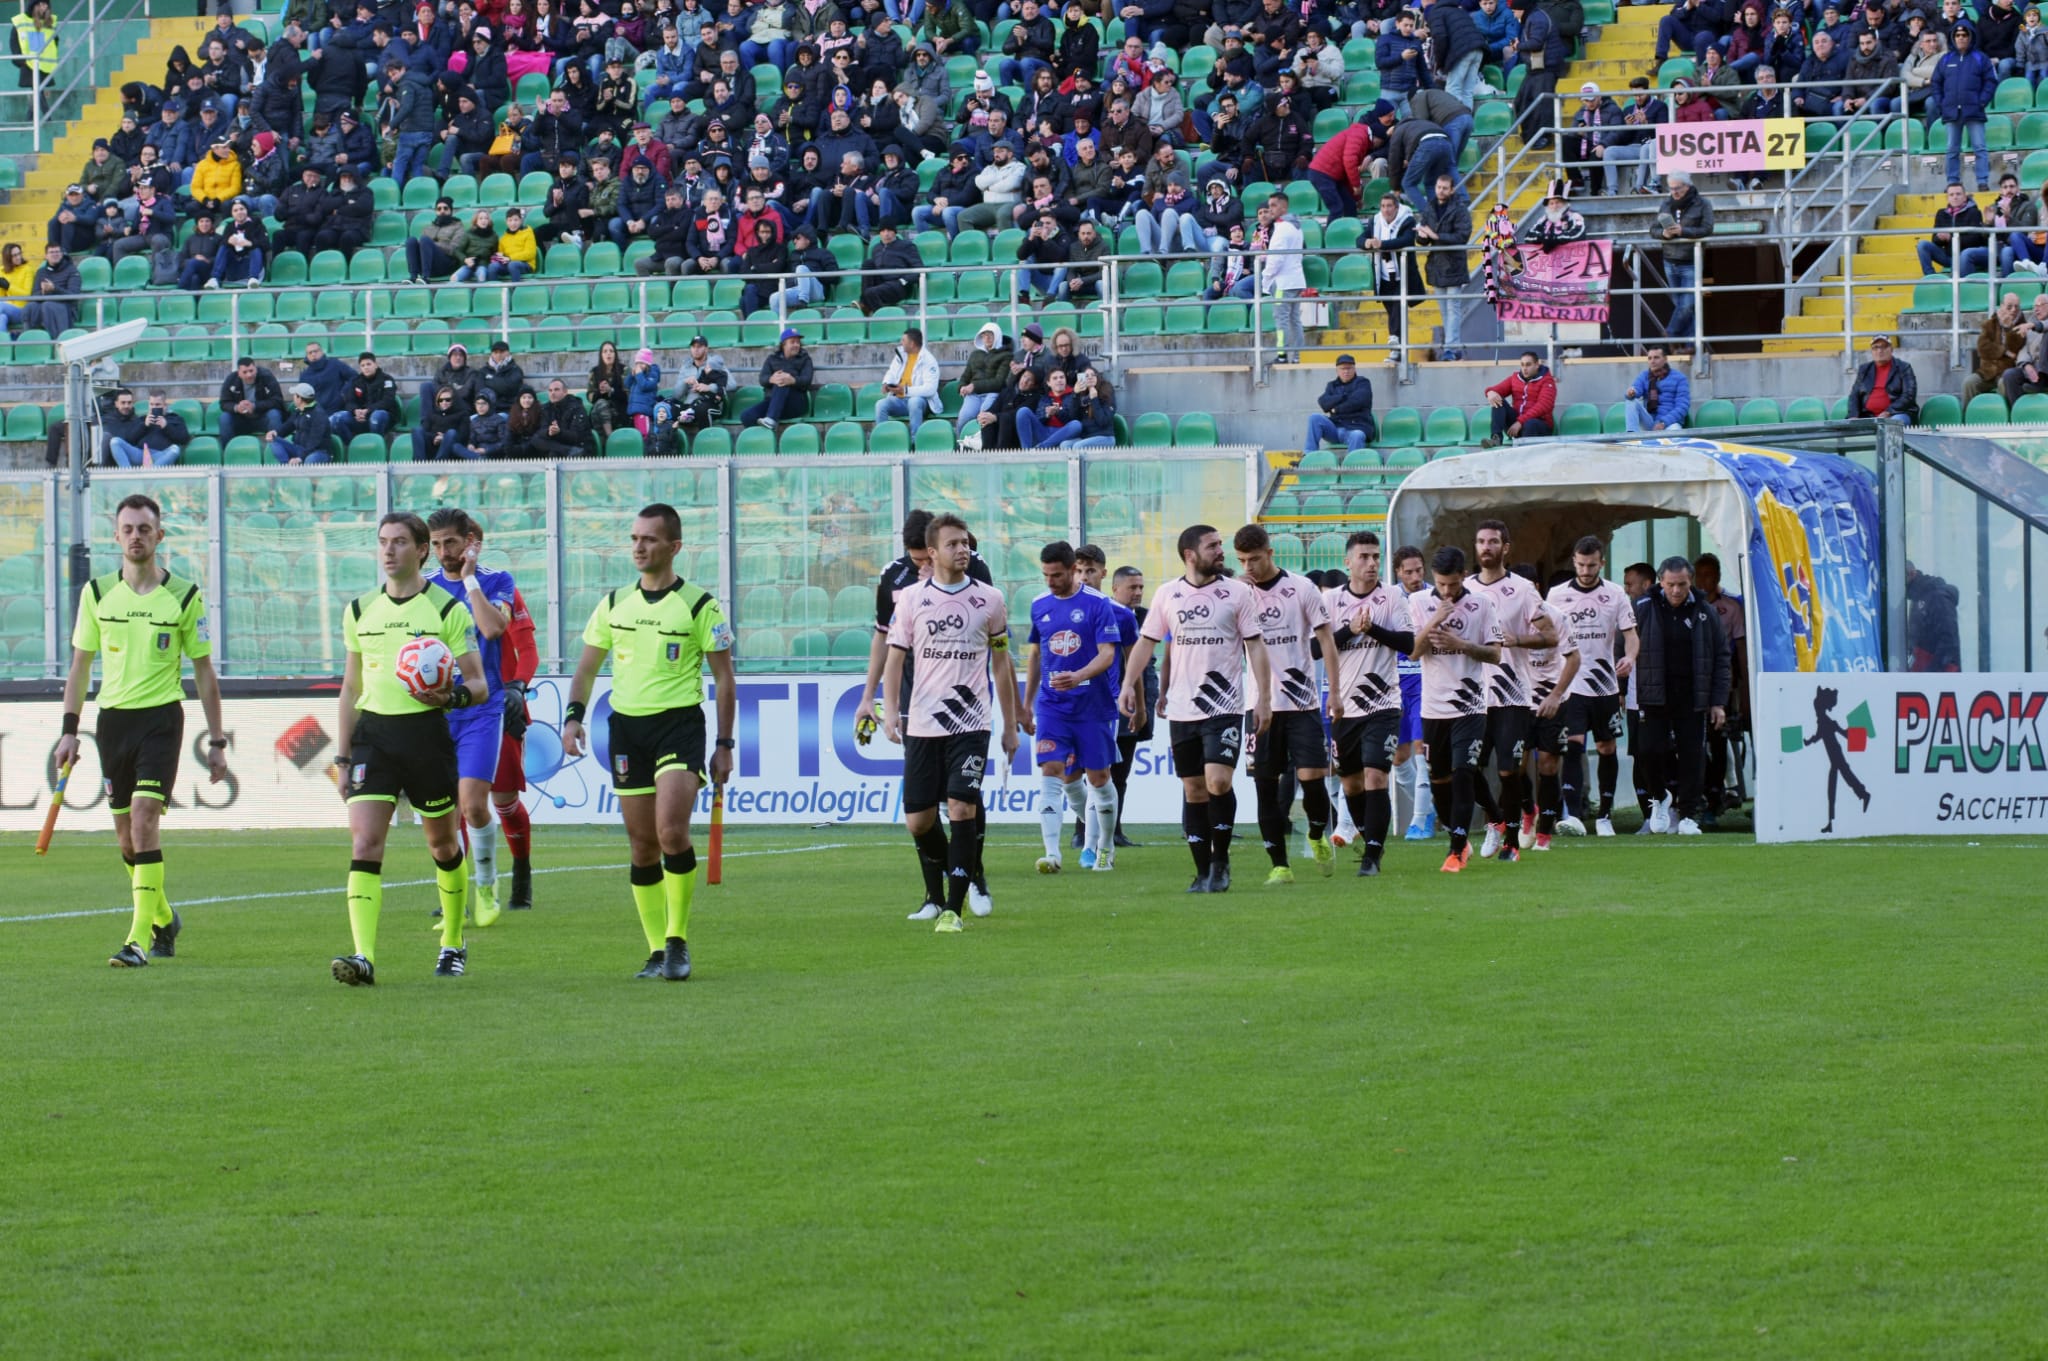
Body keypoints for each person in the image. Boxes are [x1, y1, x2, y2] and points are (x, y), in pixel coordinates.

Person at [561, 504, 735, 978]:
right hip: (626, 729)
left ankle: (677, 941)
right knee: (642, 845)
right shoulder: (614, 603)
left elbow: (724, 679)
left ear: (674, 547)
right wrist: (573, 718)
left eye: (650, 539)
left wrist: (724, 744)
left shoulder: (700, 606)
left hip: (678, 725)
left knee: (671, 833)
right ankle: (656, 950)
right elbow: (586, 669)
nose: (639, 547)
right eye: (635, 538)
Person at [55, 494, 228, 968]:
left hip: (160, 720)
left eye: (144, 529)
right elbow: (80, 667)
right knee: (127, 841)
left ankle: (136, 941)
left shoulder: (186, 596)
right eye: (128, 529)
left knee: (145, 816)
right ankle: (164, 919)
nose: (136, 536)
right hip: (113, 722)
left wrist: (216, 742)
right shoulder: (96, 594)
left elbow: (204, 673)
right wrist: (69, 730)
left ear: (159, 536)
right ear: (116, 536)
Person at [331, 513, 491, 986]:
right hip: (373, 737)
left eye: (399, 542)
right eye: (383, 541)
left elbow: (478, 684)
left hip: (425, 737)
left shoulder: (447, 609)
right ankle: (363, 957)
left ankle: (453, 942)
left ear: (421, 550)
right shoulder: (359, 610)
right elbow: (350, 687)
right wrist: (342, 757)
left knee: (442, 844)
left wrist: (450, 697)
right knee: (365, 842)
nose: (388, 550)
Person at [853, 509, 998, 919]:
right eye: (916, 559)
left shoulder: (974, 568)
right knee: (921, 810)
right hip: (915, 701)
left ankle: (972, 877)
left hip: (964, 702)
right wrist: (870, 696)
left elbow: (987, 634)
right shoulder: (894, 577)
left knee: (963, 799)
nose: (922, 566)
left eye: (925, 558)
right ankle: (935, 894)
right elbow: (883, 639)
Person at [881, 514, 1020, 933]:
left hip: (971, 722)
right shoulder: (910, 599)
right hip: (923, 722)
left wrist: (1009, 725)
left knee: (961, 806)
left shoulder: (990, 599)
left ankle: (952, 910)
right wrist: (890, 710)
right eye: (953, 544)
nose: (963, 550)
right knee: (919, 822)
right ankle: (965, 870)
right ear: (932, 552)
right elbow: (894, 658)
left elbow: (1001, 663)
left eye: (966, 543)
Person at [1120, 524, 1276, 895]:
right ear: (1190, 554)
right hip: (1182, 709)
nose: (1221, 551)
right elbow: (1147, 643)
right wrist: (1128, 684)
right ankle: (1202, 870)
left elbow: (1256, 647)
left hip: (1224, 705)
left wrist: (1264, 698)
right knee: (1193, 788)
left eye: (1220, 544)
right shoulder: (1168, 594)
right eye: (1213, 546)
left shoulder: (1238, 593)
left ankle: (1221, 862)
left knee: (1217, 781)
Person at [425, 510, 520, 923]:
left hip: (482, 706)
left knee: (473, 806)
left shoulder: (497, 581)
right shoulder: (424, 588)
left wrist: (468, 580)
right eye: (436, 544)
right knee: (441, 815)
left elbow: (494, 628)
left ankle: (486, 885)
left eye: (450, 542)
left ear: (469, 542)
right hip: (437, 709)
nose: (443, 551)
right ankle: (454, 904)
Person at [1233, 524, 1341, 884]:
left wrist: (1335, 692)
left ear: (1270, 554)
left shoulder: (1302, 588)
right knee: (1265, 785)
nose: (1248, 567)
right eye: (1242, 560)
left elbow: (1326, 641)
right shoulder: (1237, 593)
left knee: (1312, 780)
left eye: (1254, 559)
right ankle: (1279, 865)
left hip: (1301, 703)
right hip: (1259, 706)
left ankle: (1316, 833)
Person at [1023, 540, 1125, 874]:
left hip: (1092, 706)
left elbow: (1108, 654)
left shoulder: (1097, 604)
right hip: (1052, 705)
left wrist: (1079, 675)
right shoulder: (1039, 605)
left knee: (1099, 778)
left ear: (1072, 570)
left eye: (1056, 575)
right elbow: (1036, 655)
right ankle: (1052, 854)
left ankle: (1104, 846)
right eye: (1045, 575)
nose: (1050, 581)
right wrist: (1026, 703)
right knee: (1052, 770)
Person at [1408, 545, 1502, 873]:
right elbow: (1413, 653)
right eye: (1441, 584)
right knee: (1440, 781)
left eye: (1453, 584)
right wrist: (1435, 619)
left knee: (1464, 772)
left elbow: (1496, 654)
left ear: (1464, 575)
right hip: (1433, 708)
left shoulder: (1482, 604)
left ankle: (1455, 851)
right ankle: (1491, 820)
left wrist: (1461, 645)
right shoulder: (1418, 602)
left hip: (1471, 704)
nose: (1447, 591)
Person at [1320, 532, 1409, 876]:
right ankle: (1370, 837)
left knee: (1376, 776)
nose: (1372, 563)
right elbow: (1315, 649)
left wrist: (1372, 630)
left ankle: (1372, 855)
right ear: (1348, 562)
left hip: (1383, 704)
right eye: (1364, 557)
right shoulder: (1330, 601)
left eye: (1376, 556)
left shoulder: (1393, 597)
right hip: (1343, 707)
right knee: (1352, 784)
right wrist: (1350, 630)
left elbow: (1408, 643)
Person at [1468, 521, 1557, 863]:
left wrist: (1517, 639)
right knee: (1467, 767)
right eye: (1481, 541)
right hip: (1473, 696)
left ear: (1505, 548)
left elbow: (1550, 635)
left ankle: (1512, 843)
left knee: (1508, 770)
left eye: (1493, 541)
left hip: (1513, 695)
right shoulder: (1465, 588)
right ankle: (1495, 820)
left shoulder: (1522, 589)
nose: (1486, 547)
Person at [1546, 536, 1640, 836]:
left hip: (1604, 685)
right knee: (1573, 744)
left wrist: (1630, 657)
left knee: (1606, 747)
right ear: (1574, 562)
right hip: (1571, 684)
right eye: (1581, 565)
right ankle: (1573, 815)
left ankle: (1605, 816)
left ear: (1602, 563)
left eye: (1591, 565)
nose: (1585, 571)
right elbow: (1546, 635)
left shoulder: (1615, 594)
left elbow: (1631, 634)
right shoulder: (1557, 595)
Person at [1630, 557, 1730, 836]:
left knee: (1692, 755)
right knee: (1647, 750)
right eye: (1671, 584)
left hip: (1691, 695)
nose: (1676, 590)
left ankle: (1688, 815)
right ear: (1661, 582)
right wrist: (1622, 687)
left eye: (1682, 585)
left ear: (1690, 582)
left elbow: (1722, 656)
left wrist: (1717, 701)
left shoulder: (1705, 611)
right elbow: (1622, 647)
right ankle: (1660, 796)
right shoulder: (1642, 608)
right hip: (1652, 693)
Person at [1521, 564, 1580, 851]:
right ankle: (1527, 811)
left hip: (1552, 699)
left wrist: (1556, 695)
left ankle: (1544, 832)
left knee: (1547, 764)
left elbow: (1574, 659)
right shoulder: (1506, 617)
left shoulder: (1557, 617)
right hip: (1518, 700)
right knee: (1513, 766)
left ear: (1536, 588)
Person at [1389, 545, 1436, 839]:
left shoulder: (1434, 596)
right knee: (1398, 758)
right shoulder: (1389, 597)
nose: (1416, 577)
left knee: (1421, 751)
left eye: (1419, 570)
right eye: (1409, 572)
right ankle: (1428, 808)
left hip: (1425, 683)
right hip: (1395, 685)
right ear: (1398, 572)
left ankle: (1419, 821)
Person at [1105, 561, 1153, 848]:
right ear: (1115, 588)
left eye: (1141, 587)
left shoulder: (1144, 617)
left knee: (1120, 772)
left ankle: (1114, 830)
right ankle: (1084, 832)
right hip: (1106, 703)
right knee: (1098, 772)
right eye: (1132, 587)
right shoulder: (1106, 613)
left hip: (1133, 703)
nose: (1138, 592)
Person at [1934, 21, 1996, 191]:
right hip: (1951, 111)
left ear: (1970, 37)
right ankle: (1952, 182)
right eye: (1957, 35)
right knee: (1952, 150)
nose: (1961, 38)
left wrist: (1981, 101)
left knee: (1980, 148)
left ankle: (1982, 181)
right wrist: (1941, 103)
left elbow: (1991, 81)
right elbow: (1936, 83)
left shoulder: (1980, 58)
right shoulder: (1945, 59)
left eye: (1964, 35)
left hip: (1974, 110)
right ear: (1953, 38)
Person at [1363, 191, 1423, 354]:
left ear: (1396, 208)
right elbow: (1359, 239)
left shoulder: (1408, 220)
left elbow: (1406, 240)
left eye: (1389, 206)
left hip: (1402, 274)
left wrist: (1381, 244)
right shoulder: (1375, 221)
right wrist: (1367, 242)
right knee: (1393, 313)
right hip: (1383, 275)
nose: (1386, 209)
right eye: (1383, 206)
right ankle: (1398, 351)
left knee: (1397, 307)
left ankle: (1394, 341)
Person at [1657, 172, 1714, 345]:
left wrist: (1683, 231)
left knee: (1686, 305)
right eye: (1671, 188)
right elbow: (1653, 229)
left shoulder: (1703, 203)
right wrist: (1664, 234)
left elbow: (1707, 229)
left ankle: (1670, 334)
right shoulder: (1666, 204)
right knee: (1683, 306)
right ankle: (1691, 346)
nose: (1674, 192)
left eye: (1677, 188)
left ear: (1687, 186)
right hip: (1670, 260)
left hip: (1690, 261)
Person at [1261, 201, 1307, 363]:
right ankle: (1298, 356)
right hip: (1296, 279)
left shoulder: (1281, 228)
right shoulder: (1296, 227)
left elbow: (1276, 259)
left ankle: (1282, 356)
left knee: (1282, 320)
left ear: (1283, 207)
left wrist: (1265, 277)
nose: (1270, 209)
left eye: (1273, 205)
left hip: (1283, 282)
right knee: (1295, 320)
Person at [740, 327, 813, 428]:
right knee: (747, 416)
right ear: (784, 344)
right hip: (772, 402)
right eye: (792, 342)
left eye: (798, 342)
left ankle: (772, 419)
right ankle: (766, 433)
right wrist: (771, 379)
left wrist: (793, 380)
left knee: (781, 381)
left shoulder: (805, 358)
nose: (796, 345)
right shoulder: (772, 359)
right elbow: (762, 378)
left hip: (795, 404)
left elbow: (807, 380)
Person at [873, 326, 941, 434]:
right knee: (880, 405)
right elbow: (892, 372)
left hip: (921, 401)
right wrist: (886, 383)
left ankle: (915, 439)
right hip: (899, 400)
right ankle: (883, 437)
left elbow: (930, 389)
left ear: (912, 344)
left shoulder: (928, 360)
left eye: (903, 340)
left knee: (914, 402)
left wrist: (905, 390)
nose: (901, 342)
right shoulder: (901, 354)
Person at [1966, 291, 2030, 404]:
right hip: (1987, 372)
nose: (2013, 310)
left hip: (2007, 371)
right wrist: (2004, 351)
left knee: (2004, 383)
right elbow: (1982, 348)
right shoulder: (1990, 324)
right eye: (2009, 307)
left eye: (2016, 307)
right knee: (1969, 383)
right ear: (2002, 306)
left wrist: (2008, 328)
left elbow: (2015, 348)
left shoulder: (2023, 326)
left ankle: (2002, 413)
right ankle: (1969, 414)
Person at [1482, 350, 1557, 446]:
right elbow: (1497, 389)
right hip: (1516, 426)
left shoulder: (1547, 381)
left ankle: (1525, 451)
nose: (1524, 368)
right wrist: (1490, 392)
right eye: (1522, 365)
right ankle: (1496, 439)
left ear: (1537, 365)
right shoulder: (1515, 378)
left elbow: (1544, 405)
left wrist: (1520, 422)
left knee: (1531, 423)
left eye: (1528, 365)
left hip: (1539, 426)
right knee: (1498, 400)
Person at [1305, 354, 1376, 453]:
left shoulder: (1362, 382)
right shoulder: (1332, 385)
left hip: (1356, 427)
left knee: (1357, 435)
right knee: (1314, 418)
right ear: (1337, 370)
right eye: (1342, 368)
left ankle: (1352, 462)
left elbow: (1357, 402)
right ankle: (1309, 455)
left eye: (1349, 368)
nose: (1346, 371)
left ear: (1354, 369)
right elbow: (1323, 402)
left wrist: (1335, 409)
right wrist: (1343, 396)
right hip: (1335, 429)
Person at [102, 391, 189, 469]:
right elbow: (130, 439)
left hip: (161, 455)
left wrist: (166, 426)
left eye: (157, 405)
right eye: (151, 404)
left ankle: (148, 474)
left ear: (165, 405)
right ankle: (128, 475)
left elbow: (184, 439)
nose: (154, 407)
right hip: (141, 454)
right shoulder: (142, 419)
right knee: (115, 441)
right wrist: (144, 425)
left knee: (175, 449)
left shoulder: (174, 418)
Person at [330, 351, 401, 446]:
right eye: (362, 365)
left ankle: (375, 446)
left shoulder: (387, 379)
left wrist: (368, 410)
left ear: (376, 365)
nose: (366, 367)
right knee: (336, 418)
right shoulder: (356, 381)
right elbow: (350, 401)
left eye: (368, 364)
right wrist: (355, 411)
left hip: (382, 417)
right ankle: (353, 447)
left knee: (377, 416)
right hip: (360, 417)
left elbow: (388, 401)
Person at [955, 322, 1012, 436]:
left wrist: (974, 386)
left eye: (990, 334)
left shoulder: (1006, 355)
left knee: (984, 415)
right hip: (974, 395)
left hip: (992, 393)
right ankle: (960, 443)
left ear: (997, 336)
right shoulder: (975, 354)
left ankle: (984, 443)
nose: (987, 337)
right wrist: (961, 386)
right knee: (964, 418)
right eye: (984, 335)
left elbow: (999, 382)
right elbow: (965, 376)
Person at [217, 355, 286, 446]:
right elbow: (224, 403)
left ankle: (278, 448)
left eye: (251, 371)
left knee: (274, 414)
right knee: (224, 417)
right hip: (241, 420)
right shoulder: (231, 379)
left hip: (263, 418)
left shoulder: (266, 376)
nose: (249, 375)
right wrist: (237, 407)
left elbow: (278, 400)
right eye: (245, 372)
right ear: (239, 373)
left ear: (256, 369)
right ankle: (228, 451)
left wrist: (255, 406)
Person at [1917, 182, 1982, 276]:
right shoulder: (1941, 213)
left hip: (1966, 257)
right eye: (1951, 195)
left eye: (1958, 194)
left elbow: (1976, 239)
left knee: (1965, 255)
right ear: (1947, 198)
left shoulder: (1974, 212)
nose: (1955, 197)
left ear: (1964, 197)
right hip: (1948, 256)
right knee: (1922, 245)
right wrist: (1940, 238)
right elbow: (1934, 240)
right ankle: (1930, 277)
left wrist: (1950, 238)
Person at [1851, 334, 1920, 420]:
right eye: (1876, 347)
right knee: (1847, 425)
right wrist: (1853, 416)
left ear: (1891, 349)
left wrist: (1889, 412)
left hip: (1897, 413)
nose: (1880, 350)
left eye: (1884, 346)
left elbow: (1909, 395)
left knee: (1894, 422)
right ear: (1872, 351)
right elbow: (1854, 395)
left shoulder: (1904, 368)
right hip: (1868, 416)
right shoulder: (1864, 369)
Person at [1623, 344, 1690, 432]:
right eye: (1649, 358)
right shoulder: (1644, 375)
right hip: (1650, 422)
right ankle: (1632, 435)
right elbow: (1636, 388)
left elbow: (1683, 406)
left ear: (1665, 359)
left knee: (1675, 430)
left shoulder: (1679, 378)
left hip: (1669, 423)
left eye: (1656, 357)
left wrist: (1663, 423)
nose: (1652, 361)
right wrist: (1631, 393)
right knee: (1631, 401)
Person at [530, 377, 595, 457]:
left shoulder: (576, 407)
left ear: (565, 392)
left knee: (553, 453)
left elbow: (577, 436)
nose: (552, 393)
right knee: (535, 439)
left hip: (579, 446)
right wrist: (548, 432)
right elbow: (541, 430)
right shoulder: (546, 408)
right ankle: (568, 451)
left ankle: (570, 452)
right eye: (550, 390)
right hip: (561, 447)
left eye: (556, 390)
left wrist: (559, 432)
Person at [272, 383, 333, 464]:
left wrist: (300, 458)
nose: (293, 397)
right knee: (275, 441)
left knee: (310, 460)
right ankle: (288, 467)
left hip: (319, 452)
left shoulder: (319, 415)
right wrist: (276, 433)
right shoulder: (299, 411)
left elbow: (315, 442)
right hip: (299, 449)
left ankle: (298, 465)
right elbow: (289, 425)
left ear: (299, 398)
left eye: (294, 395)